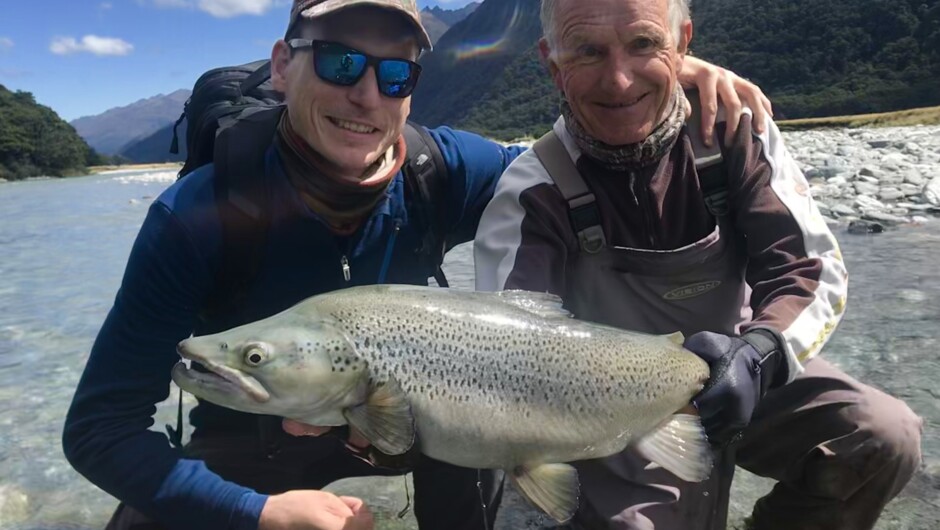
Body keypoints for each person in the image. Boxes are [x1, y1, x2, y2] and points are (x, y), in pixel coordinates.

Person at [61, 1, 773, 529]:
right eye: (340, 61)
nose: (367, 94)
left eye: (396, 74)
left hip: (432, 431)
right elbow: (99, 430)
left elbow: (583, 159)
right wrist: (258, 513)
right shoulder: (195, 218)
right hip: (259, 438)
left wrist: (655, 78)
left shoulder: (449, 169)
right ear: (284, 64)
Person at [473, 0, 924, 529]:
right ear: (553, 64)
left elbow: (807, 269)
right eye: (589, 52)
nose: (618, 81)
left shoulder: (733, 134)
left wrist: (761, 353)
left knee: (881, 435)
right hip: (611, 405)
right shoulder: (534, 190)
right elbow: (506, 351)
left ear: (682, 42)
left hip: (745, 372)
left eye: (643, 44)